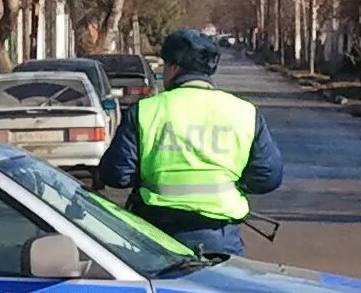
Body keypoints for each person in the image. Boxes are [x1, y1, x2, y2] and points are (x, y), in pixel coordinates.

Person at [96, 28, 285, 255]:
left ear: (175, 68)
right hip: (221, 237)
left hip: (157, 236)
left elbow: (116, 175)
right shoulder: (244, 112)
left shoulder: (146, 110)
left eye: (166, 66)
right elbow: (268, 176)